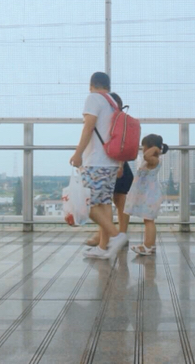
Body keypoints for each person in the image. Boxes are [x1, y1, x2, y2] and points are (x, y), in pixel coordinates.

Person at [70, 72, 129, 259]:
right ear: (108, 87)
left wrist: (78, 153)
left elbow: (88, 126)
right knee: (103, 204)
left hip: (96, 161)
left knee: (86, 204)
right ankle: (103, 248)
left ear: (91, 86)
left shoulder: (93, 98)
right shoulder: (112, 103)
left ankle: (117, 235)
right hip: (111, 162)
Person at [85, 93, 133, 248]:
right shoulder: (118, 118)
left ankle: (115, 235)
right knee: (110, 203)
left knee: (106, 203)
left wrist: (120, 164)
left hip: (113, 164)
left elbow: (120, 143)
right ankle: (113, 235)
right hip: (114, 164)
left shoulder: (113, 119)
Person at [125, 134, 168, 256]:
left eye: (144, 146)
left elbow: (146, 156)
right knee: (148, 220)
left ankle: (147, 246)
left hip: (150, 195)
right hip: (148, 194)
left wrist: (155, 149)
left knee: (149, 221)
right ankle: (150, 245)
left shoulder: (154, 160)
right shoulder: (151, 160)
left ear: (150, 147)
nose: (142, 149)